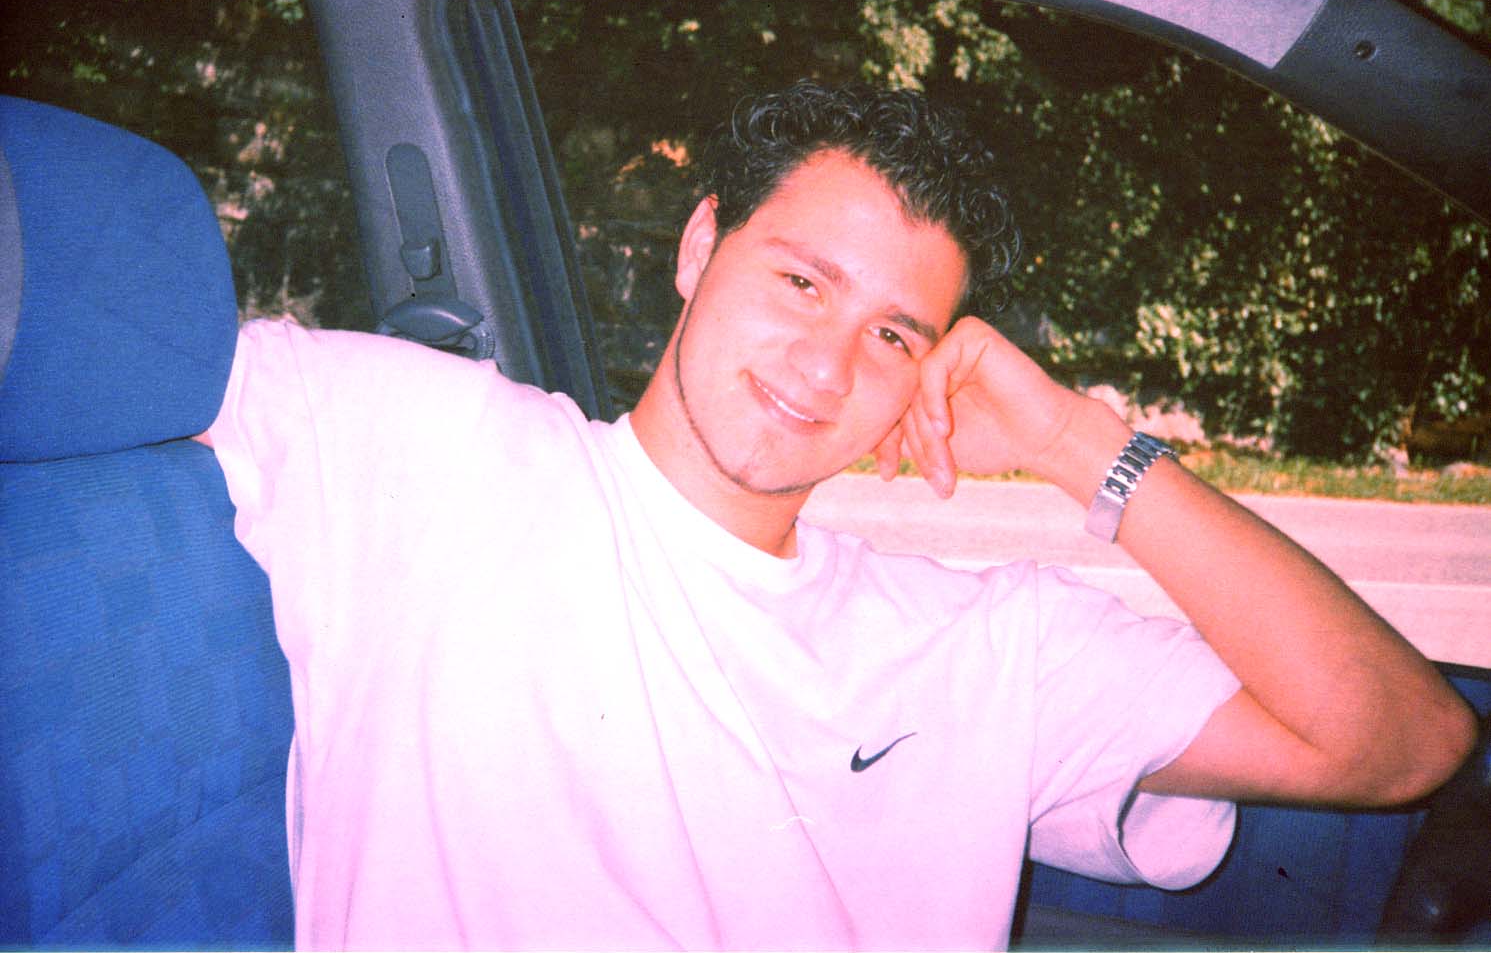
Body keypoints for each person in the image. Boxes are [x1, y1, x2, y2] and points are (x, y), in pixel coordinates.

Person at [201, 80, 1474, 950]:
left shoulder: (988, 645)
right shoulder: (427, 448)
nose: (824, 366)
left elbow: (1402, 741)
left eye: (893, 334)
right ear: (701, 246)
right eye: (801, 281)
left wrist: (1072, 443)